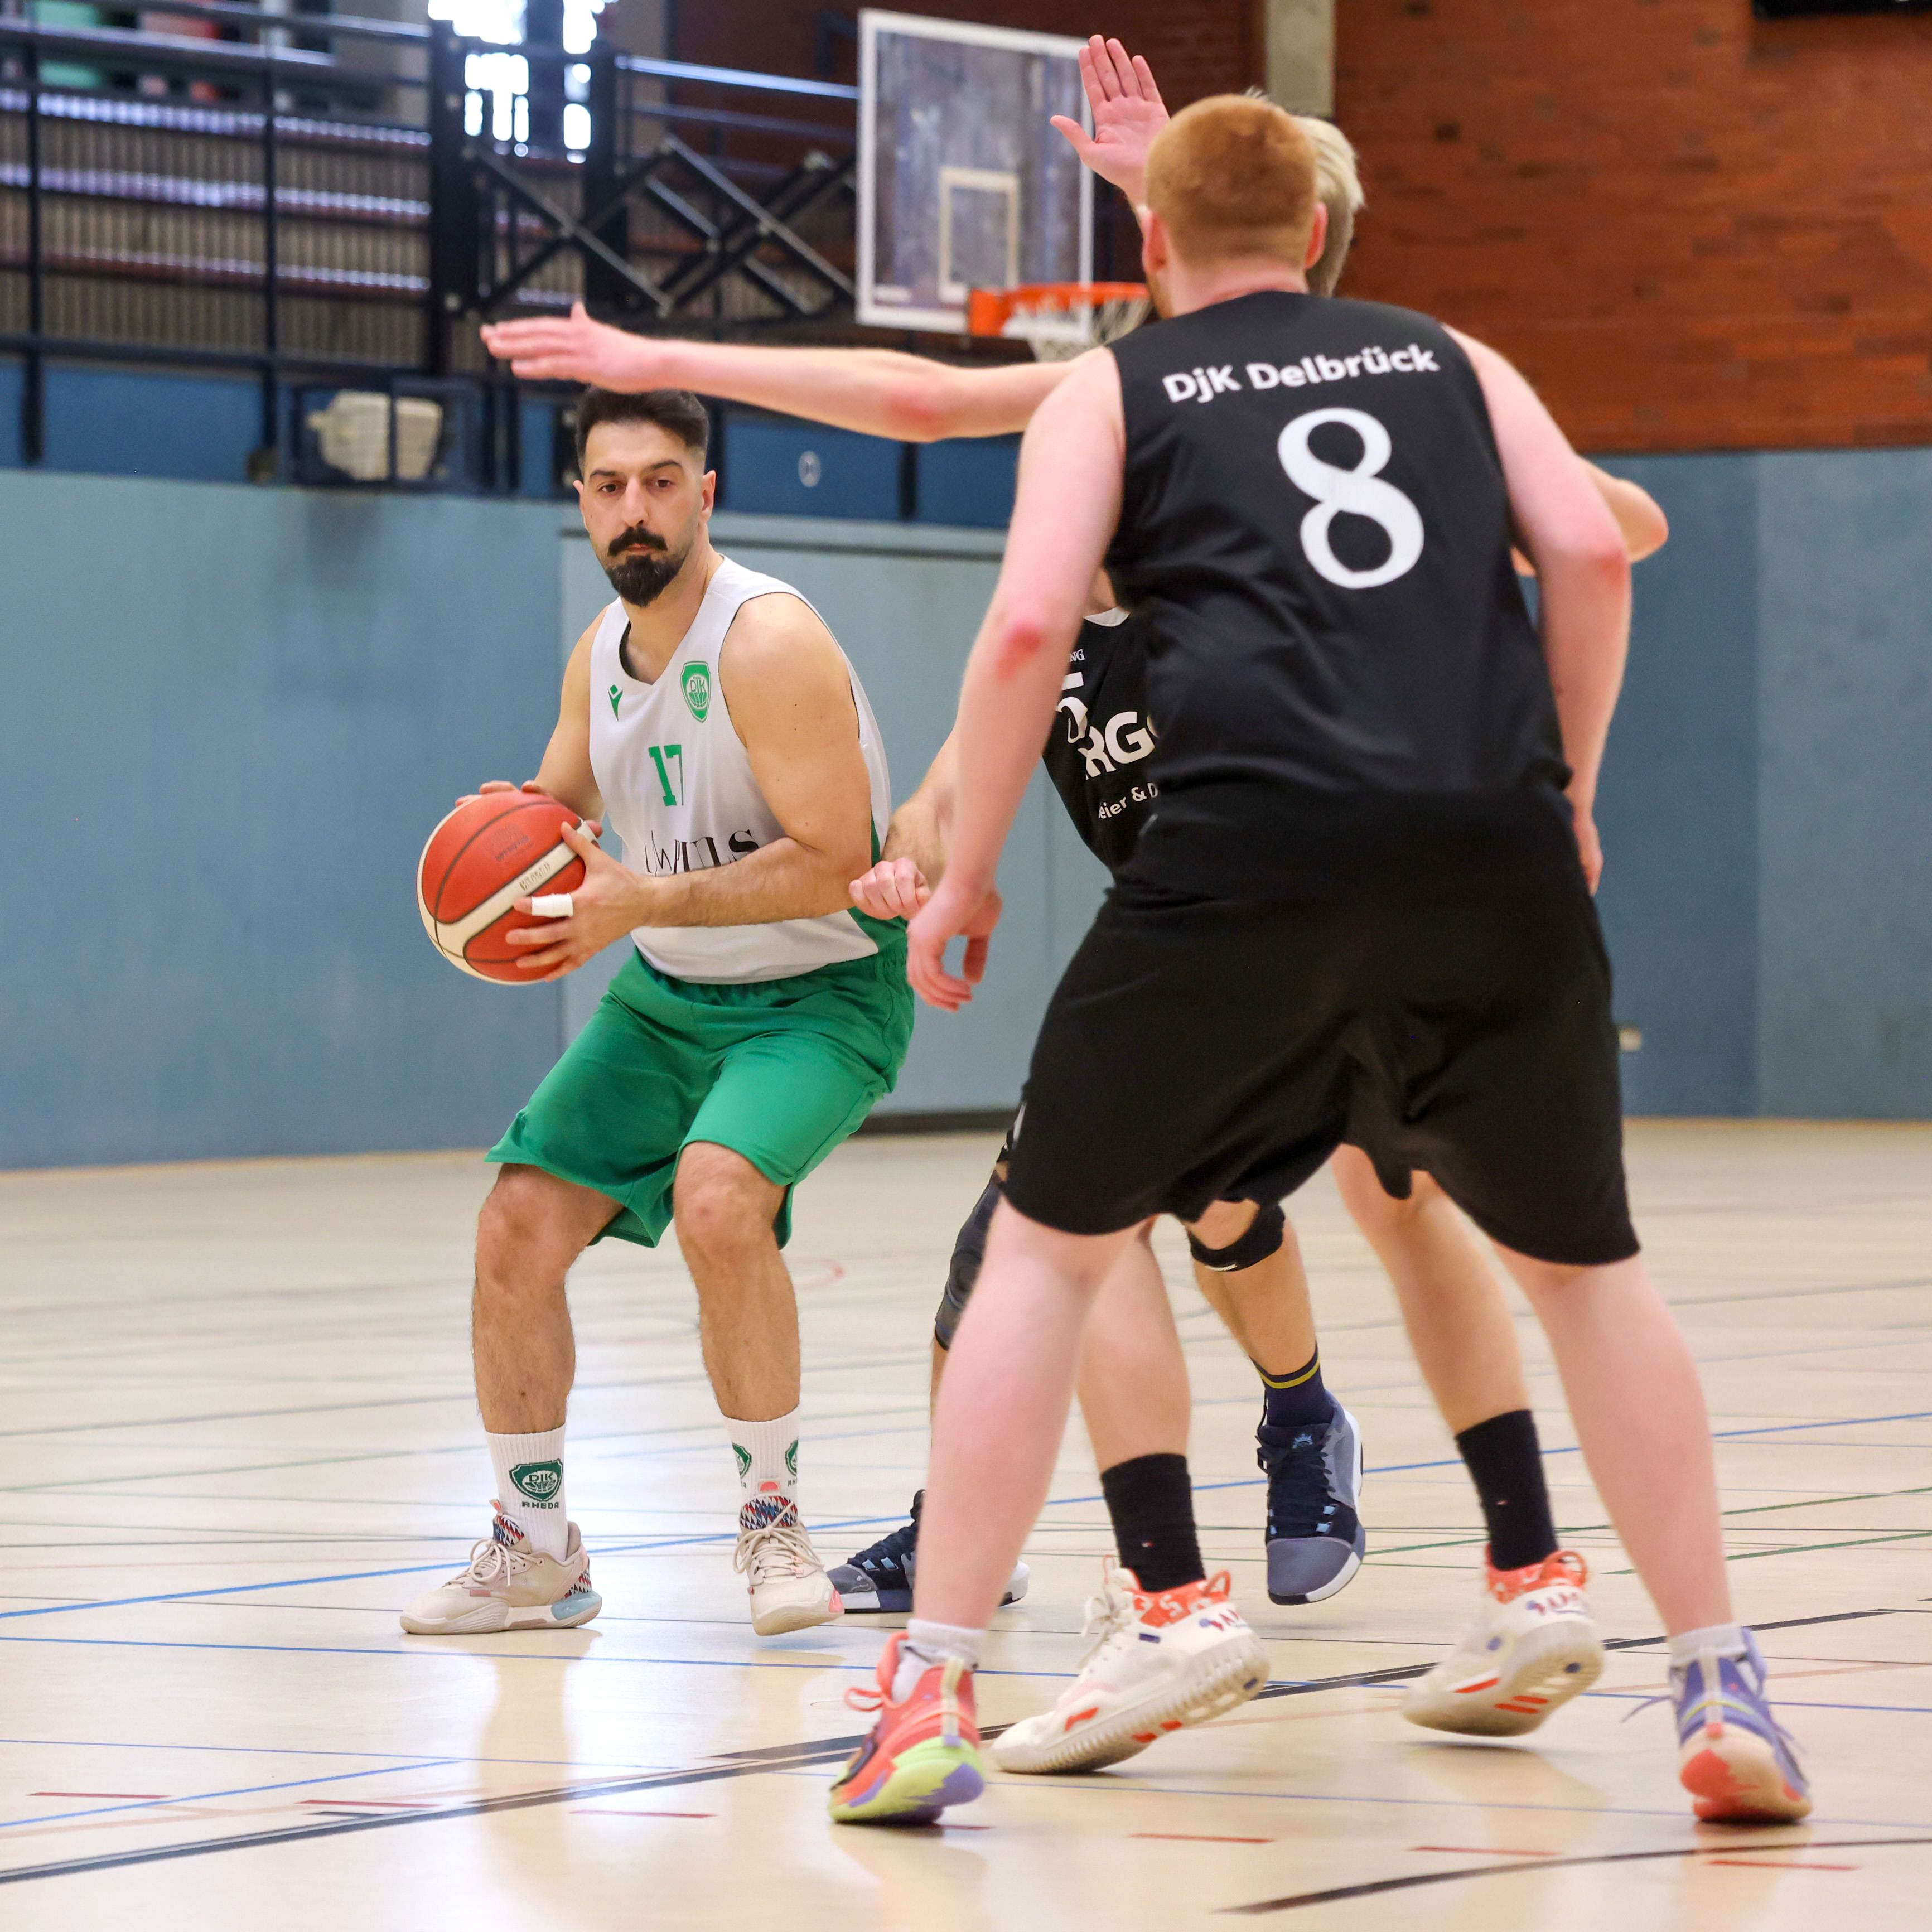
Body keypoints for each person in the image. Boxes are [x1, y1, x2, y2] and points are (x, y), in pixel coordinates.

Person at [482, 52, 1668, 1761]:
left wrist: (668, 355)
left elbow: (941, 403)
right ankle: (1490, 1557)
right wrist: (919, 862)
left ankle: (1183, 1575)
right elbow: (943, 768)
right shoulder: (1205, 439)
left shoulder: (1179, 460)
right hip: (1384, 897)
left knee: (1114, 1231)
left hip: (1252, 902)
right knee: (1294, 1218)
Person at [827, 95, 1810, 1828]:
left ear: (1149, 240)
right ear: (1317, 228)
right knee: (1589, 1275)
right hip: (1490, 853)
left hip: (1250, 856)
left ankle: (933, 1692)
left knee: (1049, 1250)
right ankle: (1719, 1675)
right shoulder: (1451, 355)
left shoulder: (1116, 388)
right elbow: (1596, 546)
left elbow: (1032, 622)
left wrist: (964, 877)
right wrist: (1572, 790)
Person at [398, 387, 912, 1641]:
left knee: (718, 1200)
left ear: (705, 495)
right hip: (671, 994)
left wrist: (643, 900)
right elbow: (559, 816)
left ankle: (774, 1523)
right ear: (581, 502)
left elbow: (838, 863)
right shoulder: (599, 655)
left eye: (661, 481)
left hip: (820, 988)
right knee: (516, 1223)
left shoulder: (766, 640)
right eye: (610, 485)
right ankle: (535, 1549)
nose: (636, 508)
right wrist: (504, 833)